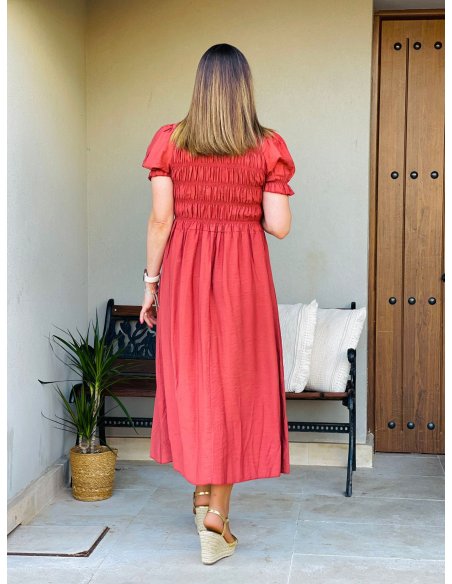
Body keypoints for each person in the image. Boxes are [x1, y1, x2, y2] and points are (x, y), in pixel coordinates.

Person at [139, 43, 295, 565]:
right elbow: (279, 226)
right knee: (231, 387)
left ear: (200, 86)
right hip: (242, 278)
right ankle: (215, 517)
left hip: (184, 274)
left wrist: (151, 285)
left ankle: (202, 495)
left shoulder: (170, 141)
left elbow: (161, 219)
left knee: (195, 380)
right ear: (244, 89)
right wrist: (247, 200)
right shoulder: (267, 146)